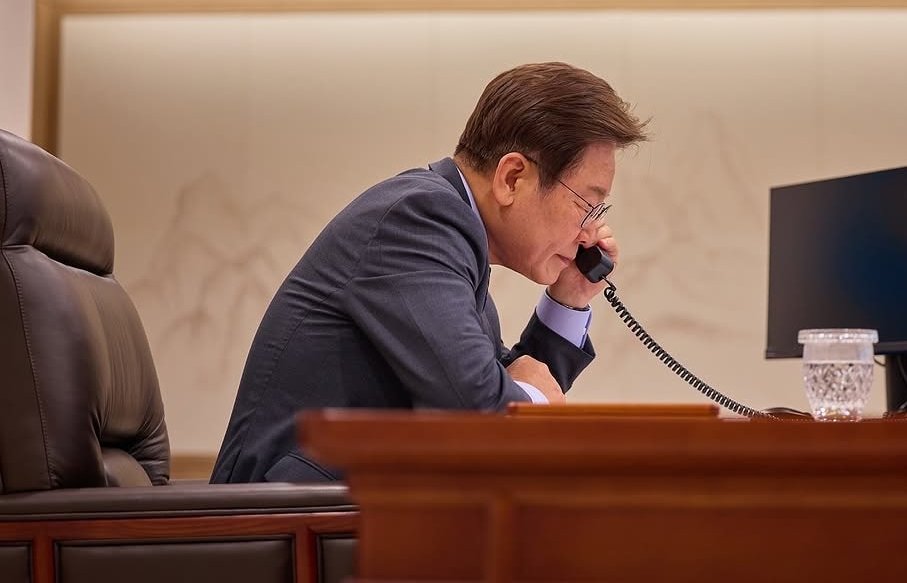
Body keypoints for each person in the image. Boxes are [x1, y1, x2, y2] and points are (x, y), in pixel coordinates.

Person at [210, 62, 650, 483]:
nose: (590, 231)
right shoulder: (418, 220)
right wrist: (530, 397)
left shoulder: (453, 241)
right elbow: (478, 408)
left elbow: (504, 394)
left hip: (347, 510)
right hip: (284, 515)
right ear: (512, 178)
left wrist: (568, 299)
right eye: (587, 204)